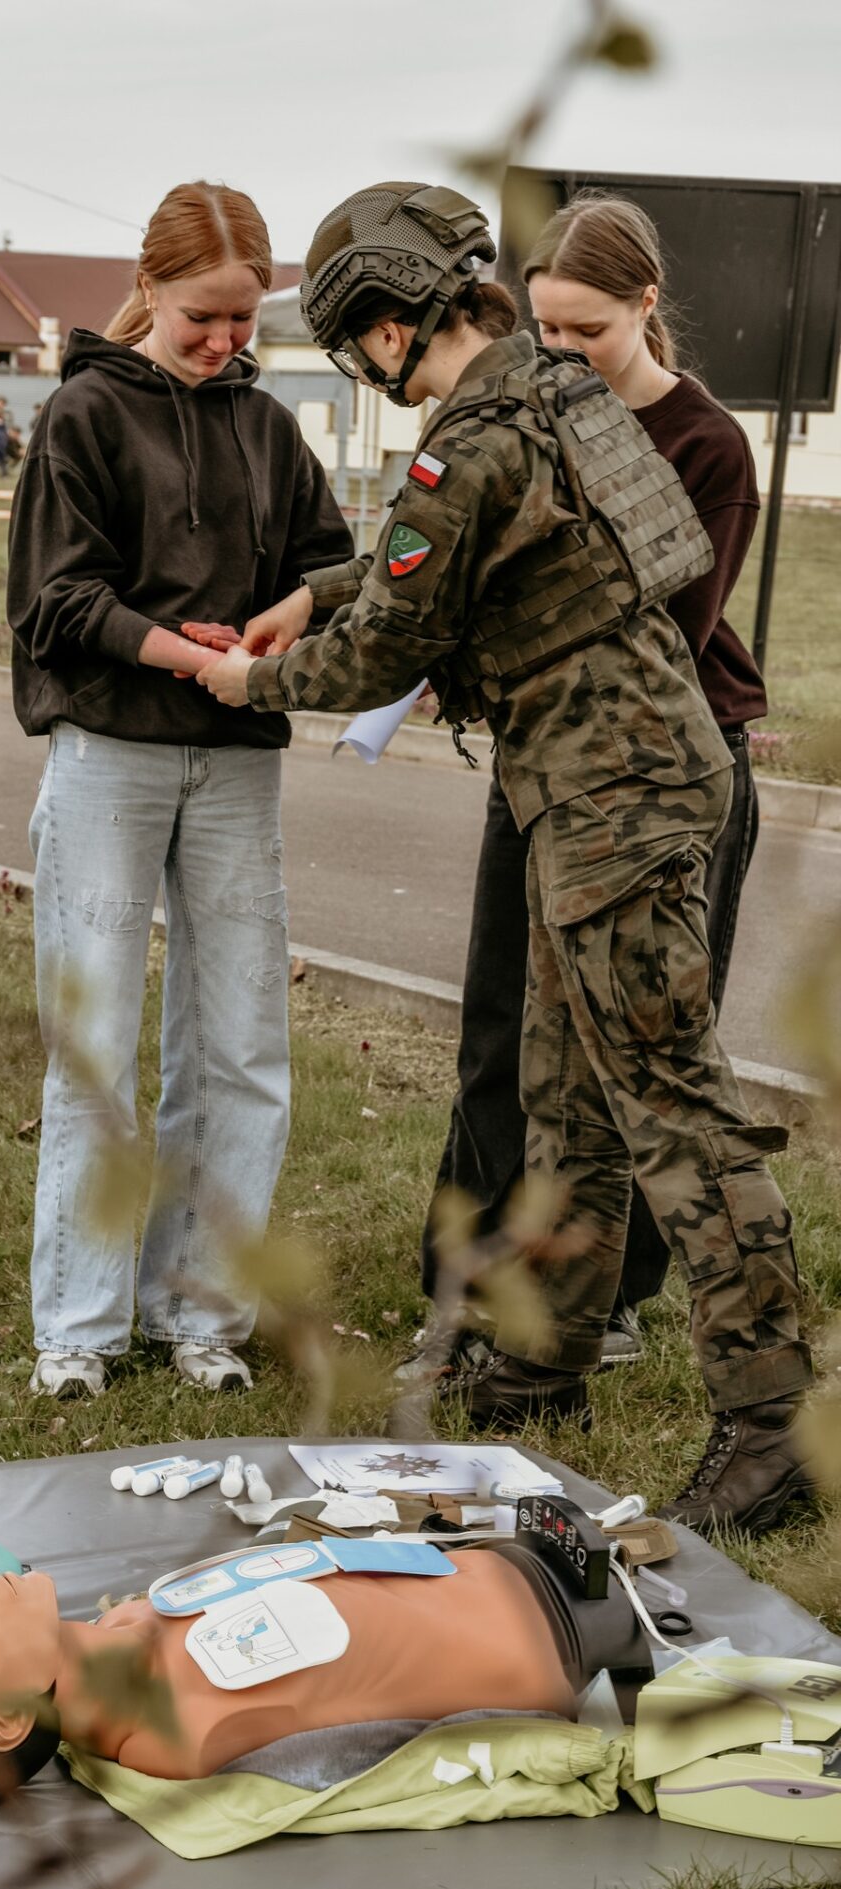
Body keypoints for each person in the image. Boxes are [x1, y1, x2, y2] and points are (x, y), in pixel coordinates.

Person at [195, 182, 814, 1535]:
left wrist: (247, 679)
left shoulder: (469, 439)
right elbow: (449, 563)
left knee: (670, 1105)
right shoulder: (548, 390)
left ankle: (774, 1427)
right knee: (566, 1095)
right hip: (612, 780)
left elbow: (387, 646)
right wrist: (318, 591)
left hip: (612, 795)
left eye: (356, 341)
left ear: (388, 326)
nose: (365, 367)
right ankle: (542, 1362)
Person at [8, 180, 351, 1400]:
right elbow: (55, 599)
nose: (222, 339)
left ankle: (200, 1315)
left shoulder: (269, 427)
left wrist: (284, 617)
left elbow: (331, 562)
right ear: (148, 288)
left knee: (240, 1046)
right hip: (108, 756)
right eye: (201, 315)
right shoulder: (82, 415)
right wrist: (184, 656)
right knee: (95, 1045)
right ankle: (78, 1331)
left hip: (237, 763)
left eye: (242, 318)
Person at [419, 194, 768, 1374]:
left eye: (588, 331)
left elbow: (657, 632)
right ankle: (467, 1291)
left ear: (645, 306)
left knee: (644, 1056)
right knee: (498, 1038)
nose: (562, 352)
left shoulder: (704, 444)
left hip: (663, 777)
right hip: (537, 763)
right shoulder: (517, 414)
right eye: (546, 330)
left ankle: (607, 1301)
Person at [0, 1546, 650, 1804]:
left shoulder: (124, 1627)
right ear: (6, 1721)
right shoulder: (185, 1730)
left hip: (498, 1568)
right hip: (557, 1636)